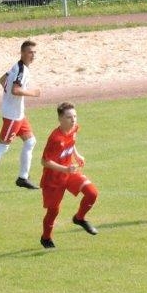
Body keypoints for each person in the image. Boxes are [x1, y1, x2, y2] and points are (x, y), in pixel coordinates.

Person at [0, 40, 41, 195]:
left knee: (30, 141)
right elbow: (16, 90)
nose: (33, 55)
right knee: (3, 146)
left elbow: (2, 80)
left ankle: (23, 177)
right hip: (12, 116)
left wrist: (9, 97)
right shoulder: (21, 70)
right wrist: (33, 93)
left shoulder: (17, 67)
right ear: (22, 53)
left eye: (35, 52)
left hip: (18, 114)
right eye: (30, 52)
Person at [39, 102, 99, 248]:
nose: (73, 120)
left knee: (92, 193)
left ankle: (79, 218)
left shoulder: (74, 129)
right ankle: (46, 238)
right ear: (60, 119)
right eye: (69, 117)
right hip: (53, 179)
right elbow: (44, 161)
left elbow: (71, 143)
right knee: (53, 210)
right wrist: (64, 169)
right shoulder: (55, 139)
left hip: (69, 172)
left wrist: (77, 155)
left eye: (75, 116)